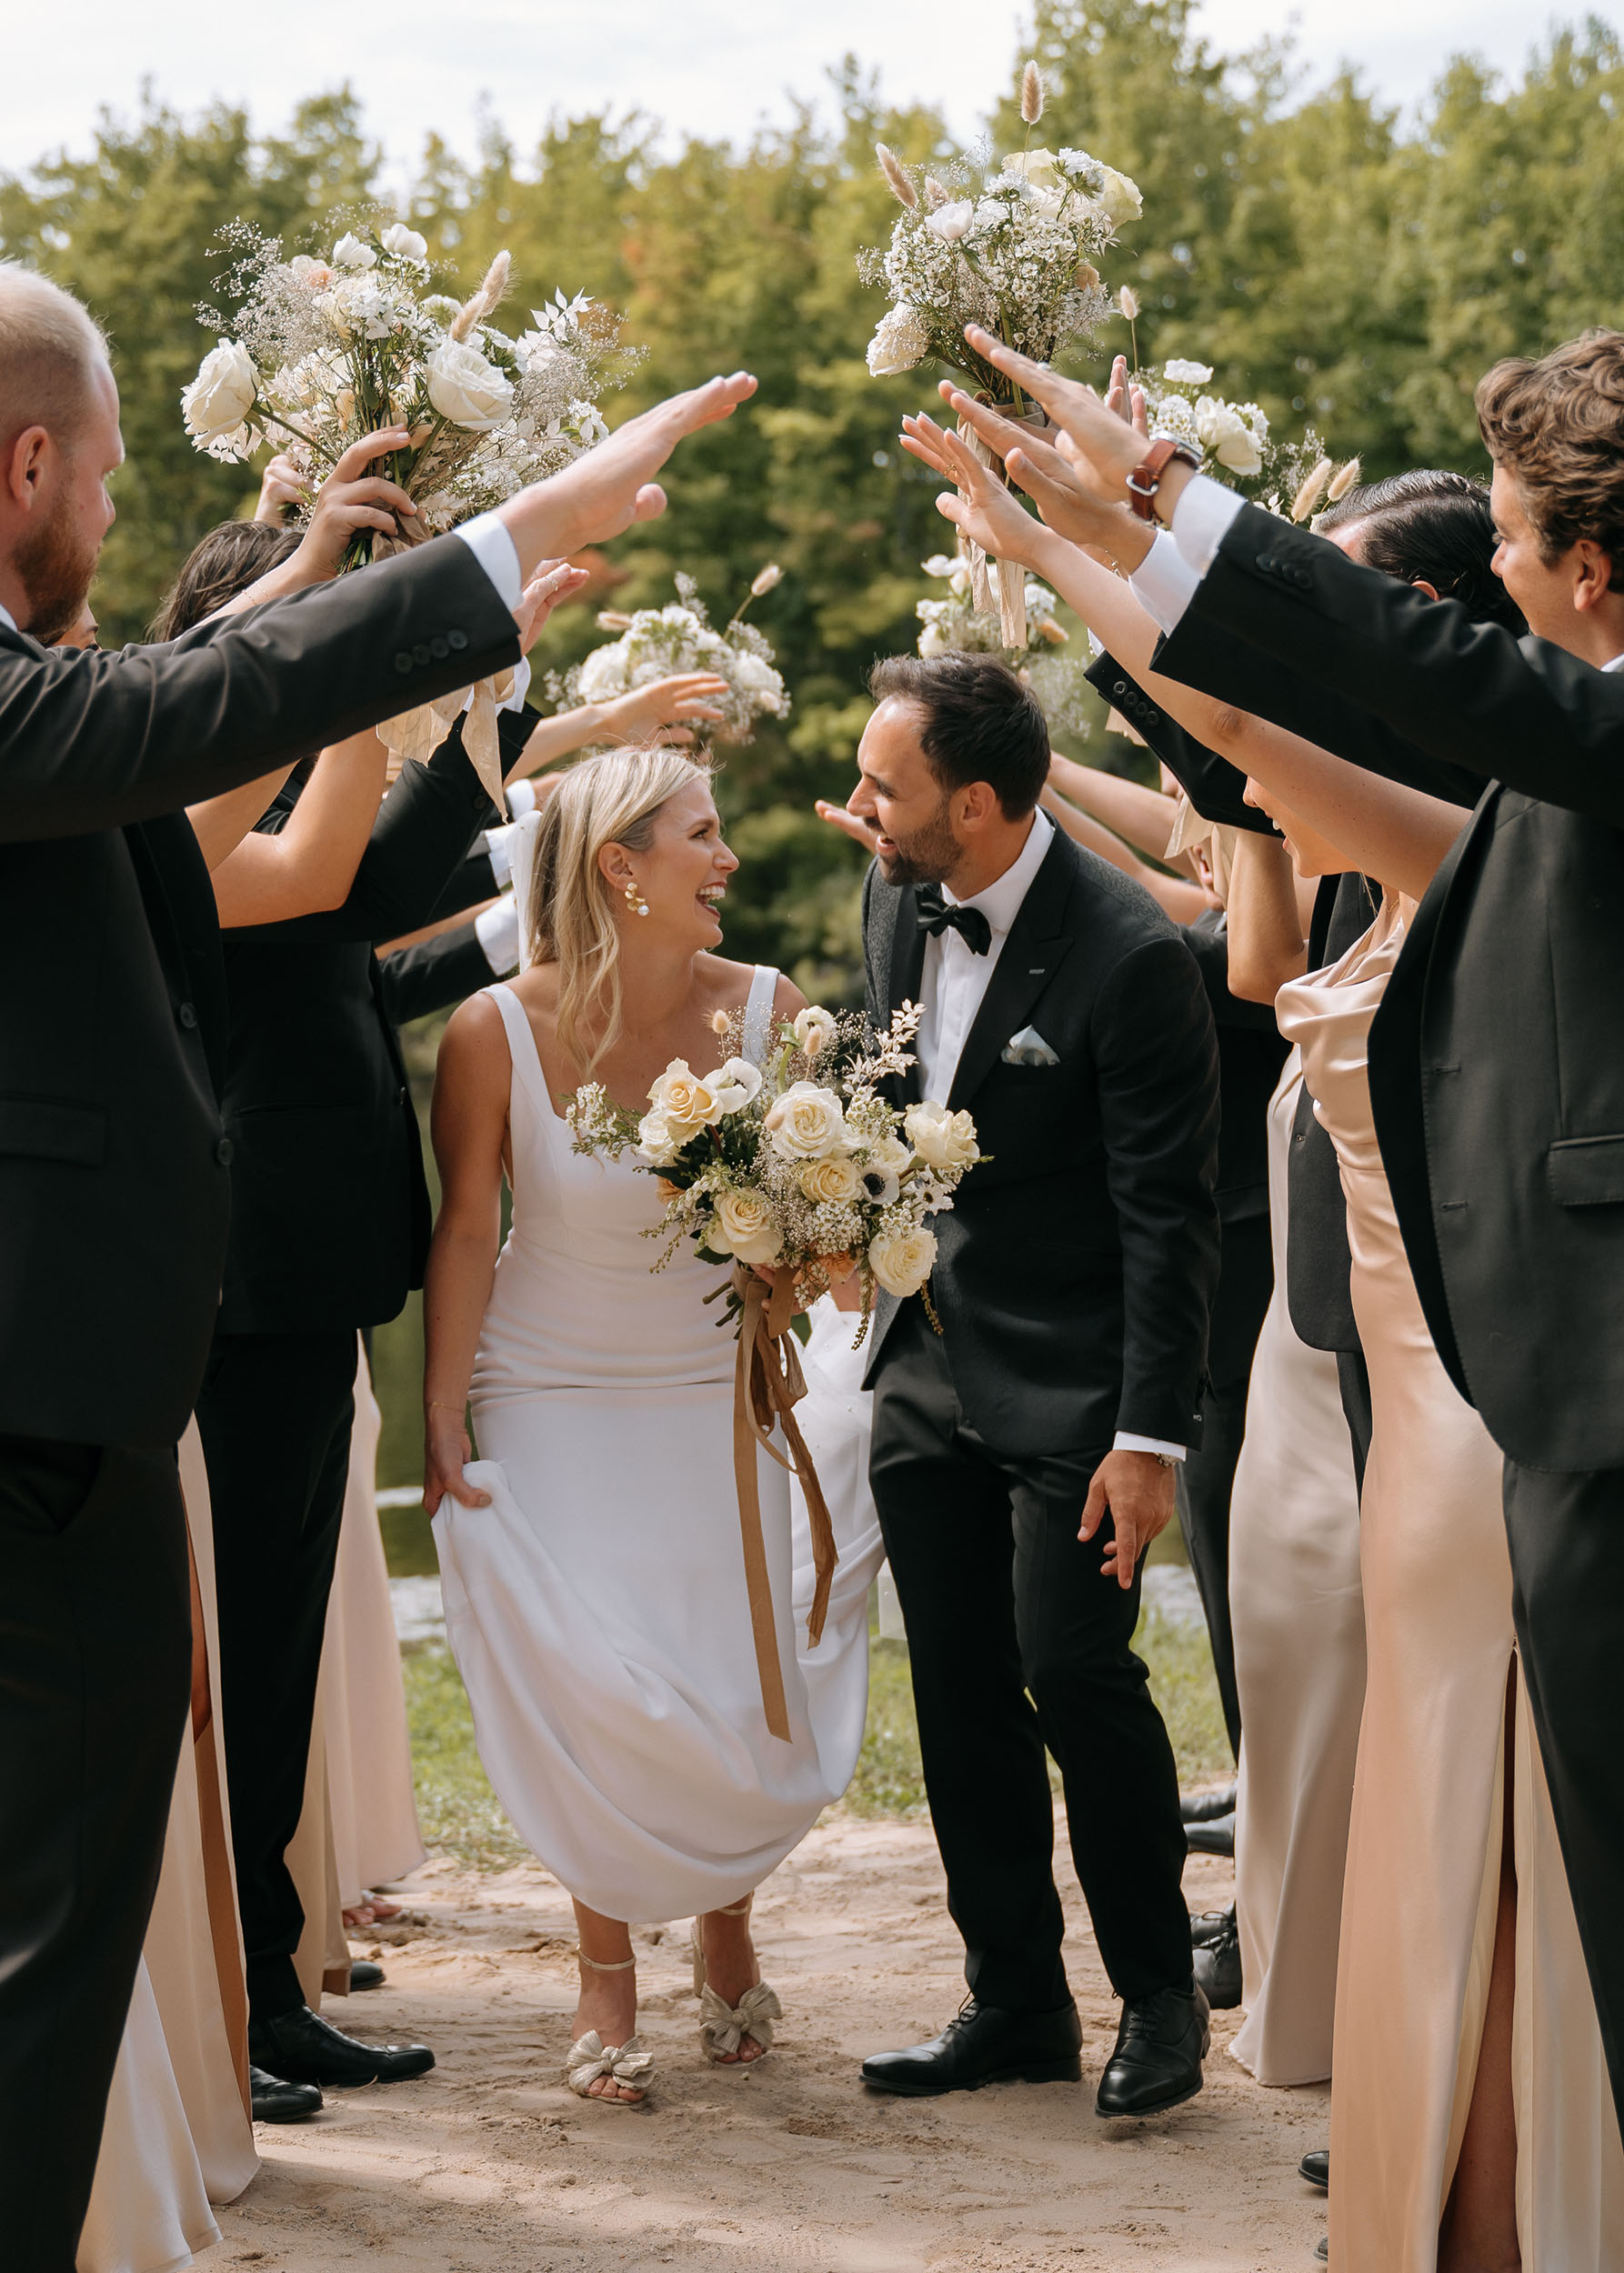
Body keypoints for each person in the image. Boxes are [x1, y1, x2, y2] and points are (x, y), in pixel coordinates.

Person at [0, 250, 757, 2268]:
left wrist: (332, 605)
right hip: (50, 1386)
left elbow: (165, 720)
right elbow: (203, 735)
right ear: (28, 466)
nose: (109, 517)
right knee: (55, 1905)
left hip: (84, 1367)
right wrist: (526, 529)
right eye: (94, 480)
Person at [975, 319, 1624, 2148]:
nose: (1488, 579)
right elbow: (1262, 746)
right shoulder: (1537, 786)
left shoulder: (1593, 735)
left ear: (1580, 565)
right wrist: (1078, 555)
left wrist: (1169, 495)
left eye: (1502, 534)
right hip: (1529, 1395)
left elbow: (1403, 672)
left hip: (1586, 1391)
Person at [421, 746, 878, 2106]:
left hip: (706, 1386)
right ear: (620, 866)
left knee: (728, 1676)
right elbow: (464, 1231)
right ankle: (604, 1971)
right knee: (594, 1678)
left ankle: (726, 1925)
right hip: (545, 1383)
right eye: (703, 834)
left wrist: (794, 1263)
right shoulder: (487, 1028)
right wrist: (442, 1415)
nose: (727, 858)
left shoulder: (774, 1012)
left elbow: (835, 1236)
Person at [847, 651, 1220, 2117]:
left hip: (1080, 1394)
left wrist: (1147, 1439)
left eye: (888, 785)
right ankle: (1011, 1998)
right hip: (922, 1367)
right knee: (955, 1687)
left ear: (984, 804)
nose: (862, 807)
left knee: (1073, 1669)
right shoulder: (895, 890)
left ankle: (1156, 1998)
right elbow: (895, 1102)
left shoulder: (1132, 955)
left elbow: (1167, 1219)